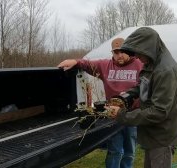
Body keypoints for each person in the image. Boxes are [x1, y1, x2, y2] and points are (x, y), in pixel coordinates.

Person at [57, 38, 143, 168]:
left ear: (129, 51)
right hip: (113, 115)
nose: (119, 55)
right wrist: (75, 61)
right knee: (115, 150)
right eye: (116, 52)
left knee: (130, 150)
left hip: (133, 115)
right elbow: (87, 64)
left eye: (122, 52)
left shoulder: (140, 65)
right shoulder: (105, 66)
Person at [106, 27, 177, 168]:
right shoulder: (151, 63)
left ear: (148, 48)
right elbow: (142, 85)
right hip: (151, 133)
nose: (137, 57)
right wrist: (125, 97)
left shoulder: (165, 71)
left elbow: (158, 111)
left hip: (161, 137)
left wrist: (122, 115)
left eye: (139, 53)